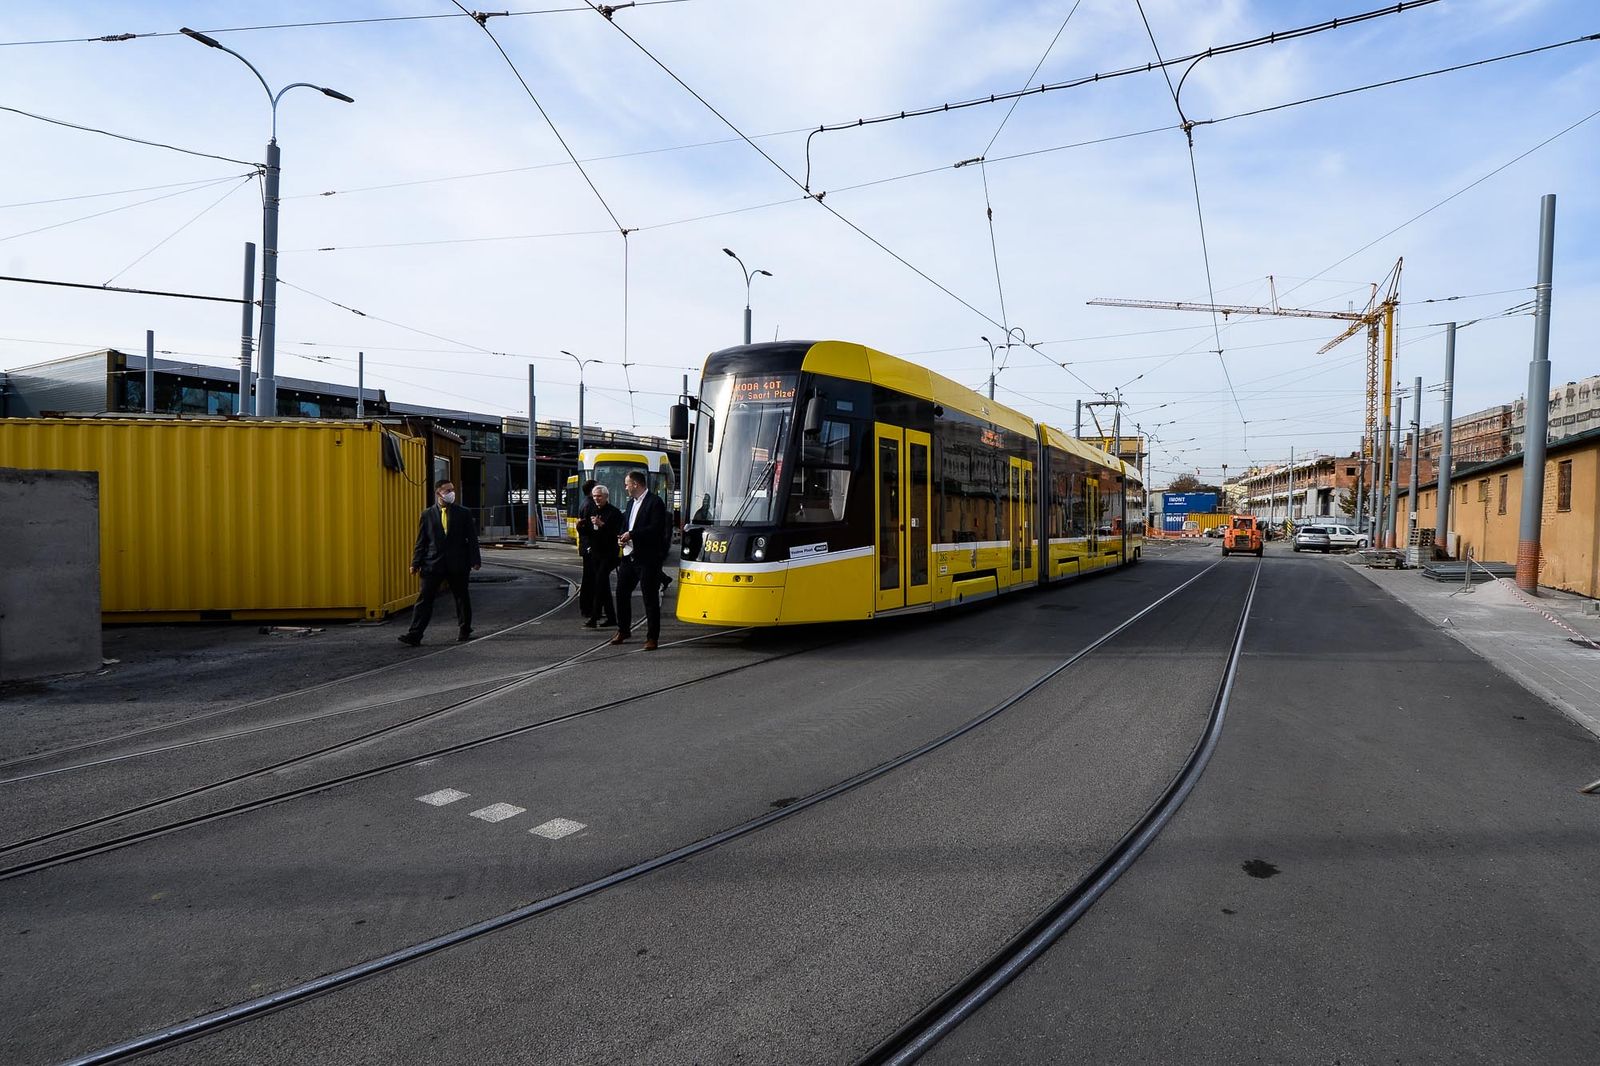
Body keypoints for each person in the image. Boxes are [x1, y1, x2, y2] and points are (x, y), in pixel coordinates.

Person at [399, 478, 481, 646]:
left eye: (452, 489)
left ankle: (465, 628)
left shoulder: (463, 513)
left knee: (461, 597)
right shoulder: (427, 514)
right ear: (438, 493)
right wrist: (415, 563)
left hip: (458, 563)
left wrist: (475, 560)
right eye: (447, 490)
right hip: (432, 563)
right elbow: (421, 541)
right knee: (424, 599)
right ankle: (415, 634)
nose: (452, 493)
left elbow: (472, 539)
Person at [612, 469, 668, 651]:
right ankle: (623, 630)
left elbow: (656, 528)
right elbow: (625, 525)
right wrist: (621, 537)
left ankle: (652, 637)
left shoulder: (655, 502)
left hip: (648, 559)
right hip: (629, 556)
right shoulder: (630, 504)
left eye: (627, 484)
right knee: (621, 594)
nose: (625, 487)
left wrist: (632, 534)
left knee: (650, 598)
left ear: (636, 484)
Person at [578, 483, 623, 629]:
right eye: (595, 496)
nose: (596, 499)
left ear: (606, 497)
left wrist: (602, 524)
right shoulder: (591, 510)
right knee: (602, 584)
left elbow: (617, 533)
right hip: (595, 553)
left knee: (599, 582)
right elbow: (589, 533)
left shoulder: (614, 513)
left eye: (599, 496)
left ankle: (594, 618)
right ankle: (611, 617)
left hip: (609, 553)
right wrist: (581, 529)